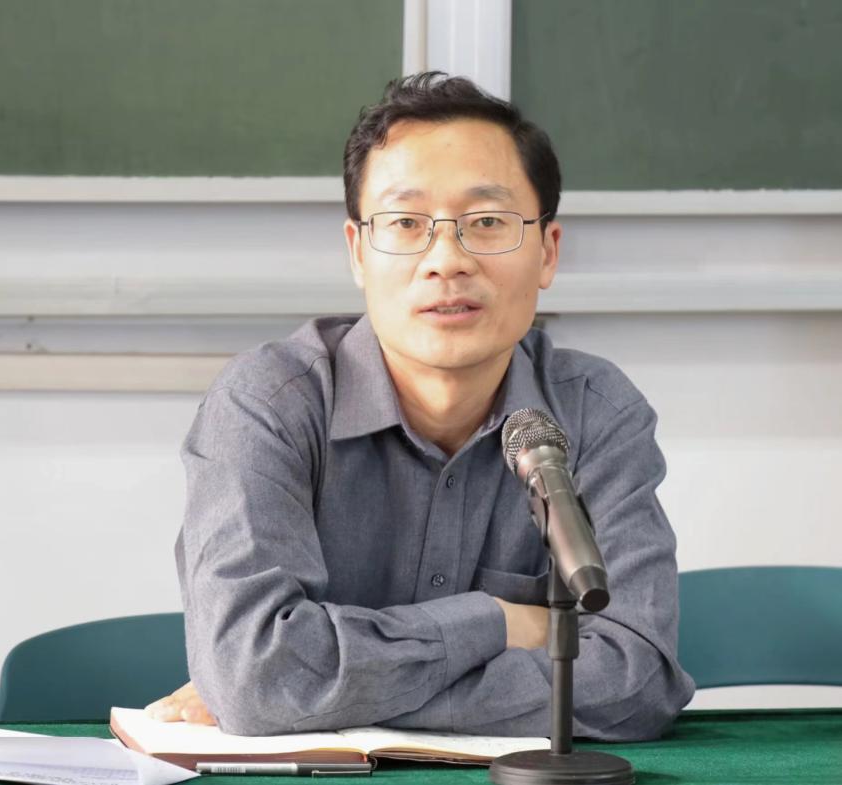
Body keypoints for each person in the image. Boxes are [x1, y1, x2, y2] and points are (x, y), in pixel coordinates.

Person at [146, 72, 695, 740]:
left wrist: (321, 689)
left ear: (548, 252)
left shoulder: (594, 413)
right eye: (406, 223)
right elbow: (254, 675)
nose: (446, 260)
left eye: (486, 222)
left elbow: (635, 680)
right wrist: (502, 621)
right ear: (357, 252)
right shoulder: (268, 404)